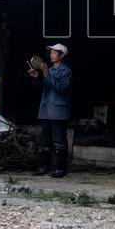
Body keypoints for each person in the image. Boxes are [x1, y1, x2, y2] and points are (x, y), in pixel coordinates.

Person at [27, 43, 72, 178]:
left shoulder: (66, 71)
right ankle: (43, 166)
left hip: (59, 112)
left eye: (54, 52)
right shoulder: (50, 70)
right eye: (51, 52)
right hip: (46, 110)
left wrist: (46, 75)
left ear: (62, 55)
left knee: (59, 141)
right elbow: (42, 90)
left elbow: (60, 88)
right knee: (44, 141)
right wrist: (36, 78)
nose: (51, 54)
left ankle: (60, 168)